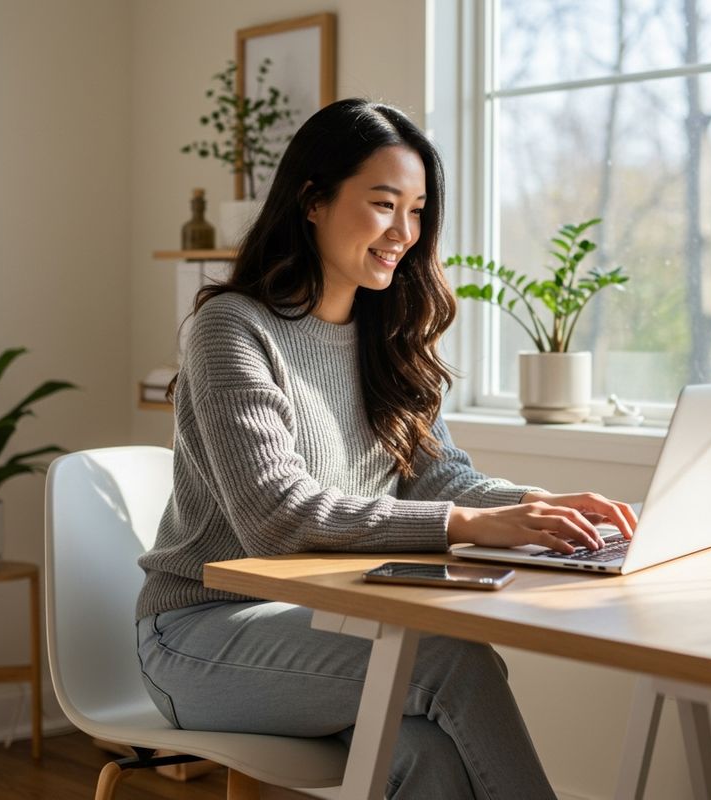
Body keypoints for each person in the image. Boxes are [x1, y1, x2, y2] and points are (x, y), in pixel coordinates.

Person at [136, 97, 637, 799]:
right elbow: (275, 521)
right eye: (382, 204)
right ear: (312, 200)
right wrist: (467, 526)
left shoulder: (386, 334)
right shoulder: (231, 330)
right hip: (198, 634)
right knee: (449, 660)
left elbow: (441, 481)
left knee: (423, 757)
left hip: (323, 617)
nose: (404, 231)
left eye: (418, 209)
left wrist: (536, 508)